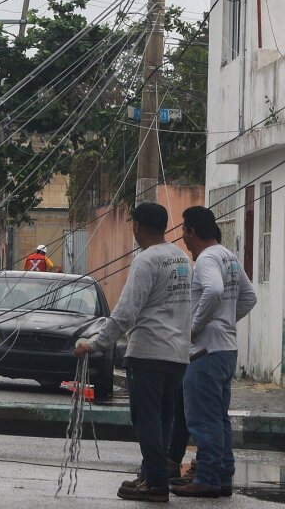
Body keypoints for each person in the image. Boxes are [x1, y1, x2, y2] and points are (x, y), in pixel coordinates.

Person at [75, 202, 192, 502]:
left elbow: (126, 313)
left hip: (149, 353)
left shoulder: (146, 261)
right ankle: (152, 475)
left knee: (146, 418)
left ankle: (154, 483)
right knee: (165, 417)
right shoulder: (181, 258)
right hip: (177, 354)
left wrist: (96, 343)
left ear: (137, 226)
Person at [168, 206, 258, 498]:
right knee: (219, 418)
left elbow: (215, 291)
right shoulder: (228, 256)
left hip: (205, 351)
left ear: (192, 230)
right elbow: (249, 297)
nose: (183, 237)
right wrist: (226, 321)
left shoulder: (206, 258)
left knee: (202, 418)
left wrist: (195, 327)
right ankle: (222, 476)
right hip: (226, 349)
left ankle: (206, 478)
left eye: (183, 230)